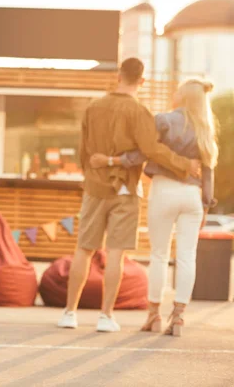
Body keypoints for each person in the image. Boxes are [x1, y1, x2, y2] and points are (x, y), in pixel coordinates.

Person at [57, 57, 202, 332]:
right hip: (126, 190)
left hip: (94, 187)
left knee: (84, 249)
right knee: (115, 253)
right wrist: (186, 165)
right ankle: (105, 316)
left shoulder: (93, 107)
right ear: (142, 81)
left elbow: (83, 151)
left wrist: (92, 173)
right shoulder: (140, 112)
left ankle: (69, 313)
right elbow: (152, 150)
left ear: (118, 76)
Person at [89, 78, 218, 336]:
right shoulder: (206, 128)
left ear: (180, 97)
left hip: (164, 191)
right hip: (193, 196)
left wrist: (114, 160)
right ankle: (179, 318)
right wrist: (205, 205)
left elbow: (143, 152)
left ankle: (153, 316)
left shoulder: (164, 121)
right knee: (186, 257)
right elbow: (208, 173)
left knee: (159, 255)